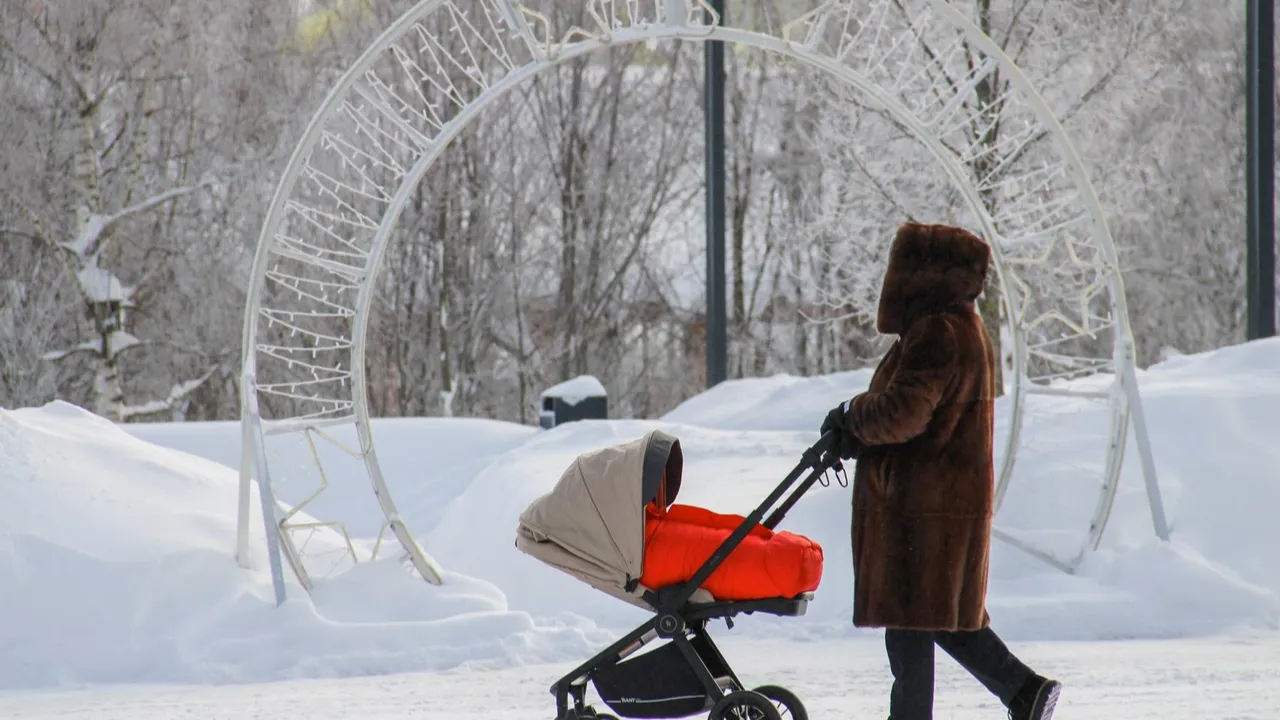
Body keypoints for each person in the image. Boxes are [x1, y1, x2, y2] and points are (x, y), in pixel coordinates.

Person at [819, 222, 1062, 720]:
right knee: (942, 616)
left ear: (917, 275)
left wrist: (852, 416)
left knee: (910, 625)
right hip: (943, 504)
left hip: (918, 509)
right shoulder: (964, 325)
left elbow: (905, 412)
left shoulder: (935, 331)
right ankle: (1024, 691)